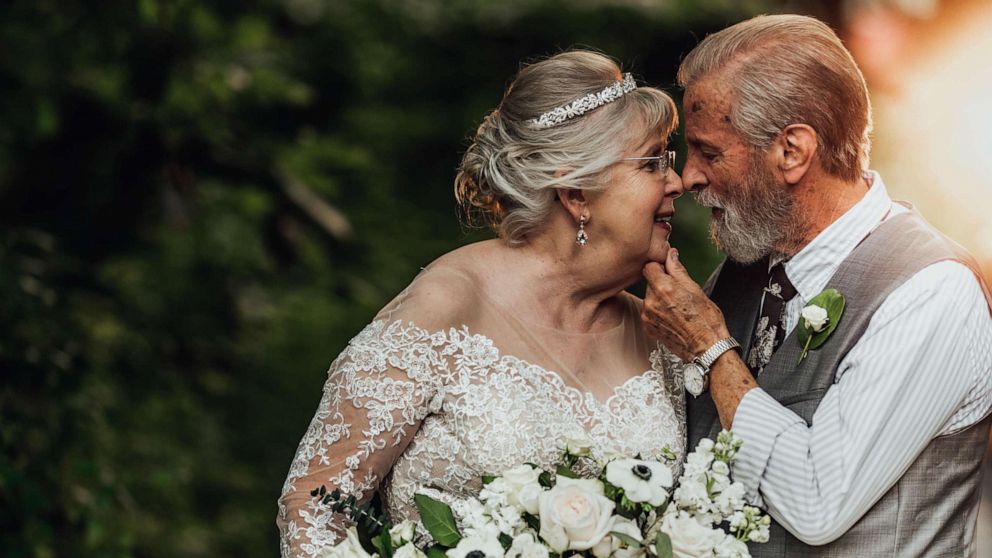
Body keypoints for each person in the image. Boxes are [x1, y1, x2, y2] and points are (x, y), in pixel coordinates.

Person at [277, 51, 688, 557]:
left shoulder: (660, 333)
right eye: (653, 162)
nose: (678, 181)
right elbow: (314, 508)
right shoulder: (445, 307)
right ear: (578, 193)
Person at [640, 14, 992, 557]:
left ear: (792, 151)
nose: (690, 177)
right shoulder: (745, 270)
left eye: (709, 152)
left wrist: (712, 350)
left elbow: (818, 503)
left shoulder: (932, 292)